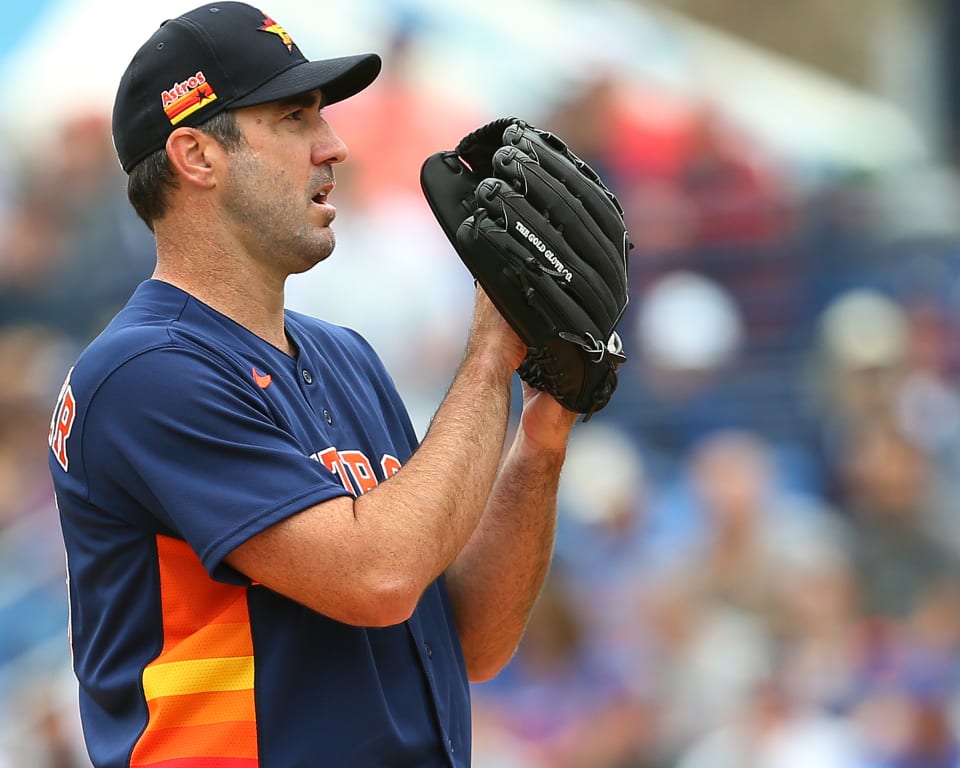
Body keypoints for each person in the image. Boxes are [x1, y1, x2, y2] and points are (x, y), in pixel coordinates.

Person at [46, 4, 577, 766]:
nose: (334, 146)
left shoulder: (346, 358)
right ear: (197, 155)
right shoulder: (143, 374)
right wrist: (491, 353)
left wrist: (539, 441)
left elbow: (467, 641)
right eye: (294, 119)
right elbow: (380, 576)